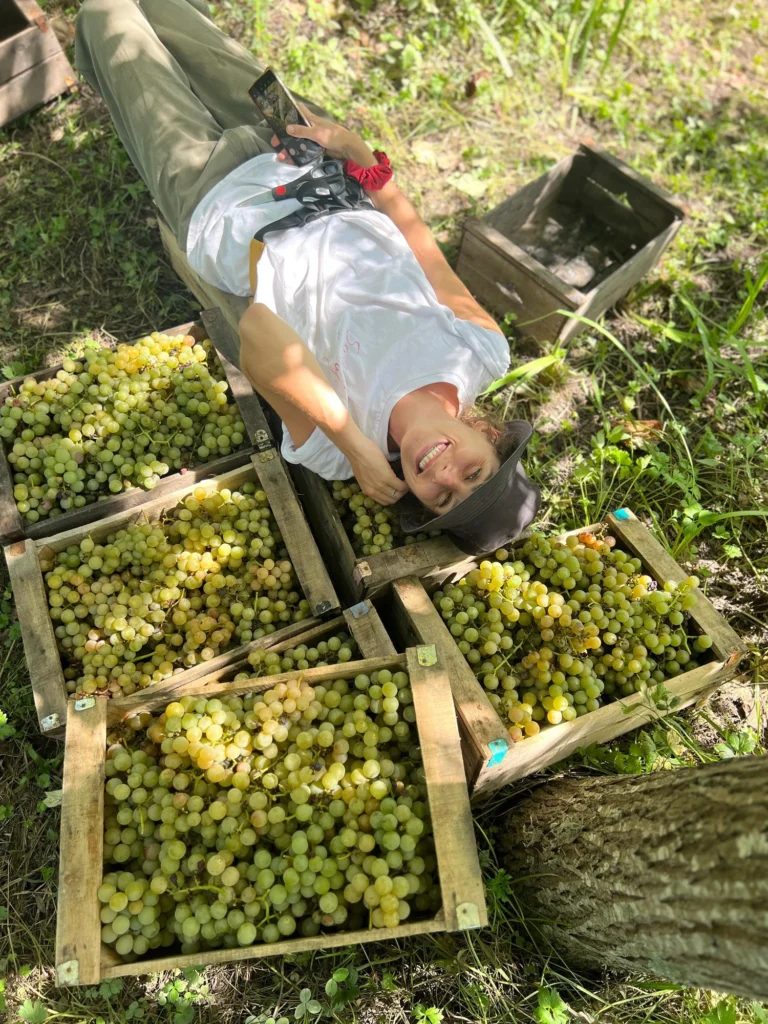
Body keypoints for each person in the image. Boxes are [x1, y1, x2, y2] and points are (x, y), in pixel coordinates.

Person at [74, 0, 540, 554]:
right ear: (488, 436)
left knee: (108, 17)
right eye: (474, 474)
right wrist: (356, 153)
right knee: (170, 15)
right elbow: (424, 248)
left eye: (440, 499)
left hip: (220, 200)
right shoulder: (480, 353)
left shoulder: (332, 452)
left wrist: (355, 446)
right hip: (307, 156)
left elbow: (259, 333)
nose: (444, 475)